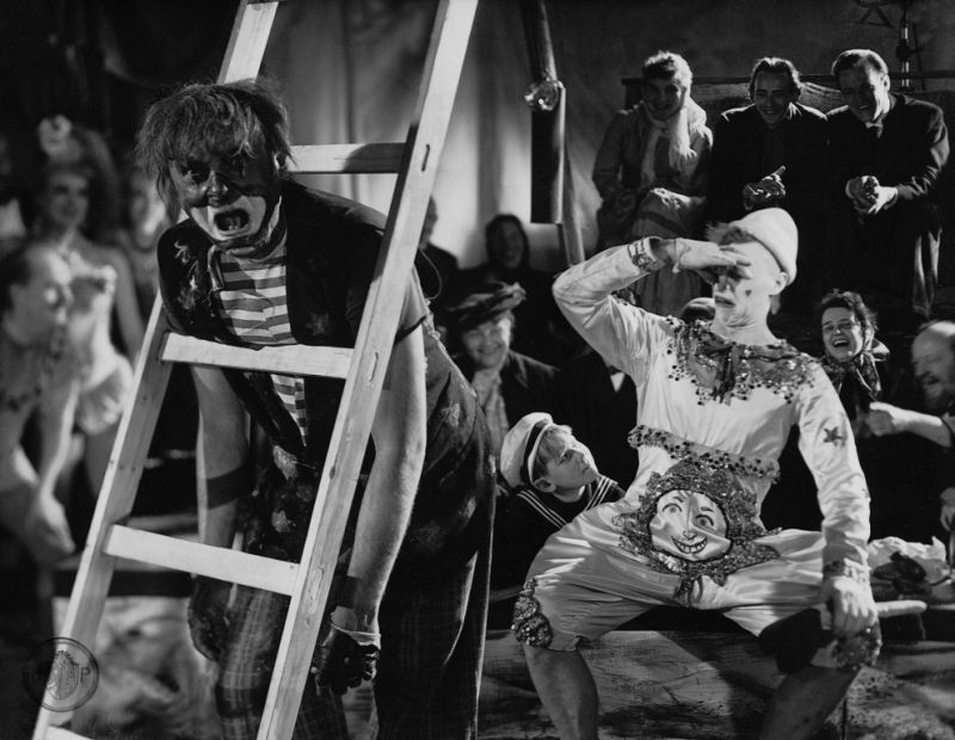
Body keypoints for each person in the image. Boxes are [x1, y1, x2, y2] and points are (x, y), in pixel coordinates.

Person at [136, 79, 495, 738]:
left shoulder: (358, 245)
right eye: (195, 172)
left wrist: (359, 606)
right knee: (248, 688)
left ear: (275, 160)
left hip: (429, 483)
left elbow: (403, 445)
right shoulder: (184, 260)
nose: (217, 189)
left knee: (413, 700)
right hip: (305, 474)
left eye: (235, 163)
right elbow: (221, 427)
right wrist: (212, 569)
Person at [515, 208, 879, 739]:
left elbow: (844, 482)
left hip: (737, 556)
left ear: (779, 280)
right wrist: (666, 251)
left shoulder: (799, 376)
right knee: (538, 611)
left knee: (852, 636)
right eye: (721, 268)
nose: (727, 282)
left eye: (743, 268)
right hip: (633, 541)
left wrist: (847, 571)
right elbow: (571, 291)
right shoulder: (658, 341)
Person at [826, 49, 950, 343]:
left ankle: (915, 322)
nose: (859, 100)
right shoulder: (835, 123)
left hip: (906, 210)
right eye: (849, 92)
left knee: (924, 215)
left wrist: (888, 194)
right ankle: (843, 317)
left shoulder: (926, 117)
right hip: (858, 215)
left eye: (866, 87)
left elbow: (931, 179)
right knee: (833, 213)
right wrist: (851, 187)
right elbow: (828, 176)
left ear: (885, 81)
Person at [32, 161, 138, 499]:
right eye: (61, 190)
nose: (71, 201)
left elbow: (135, 337)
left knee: (106, 499)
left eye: (81, 193)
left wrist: (141, 401)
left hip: (102, 387)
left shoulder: (108, 260)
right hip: (44, 393)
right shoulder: (25, 259)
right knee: (49, 497)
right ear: (42, 197)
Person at [592, 50, 711, 317]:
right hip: (629, 210)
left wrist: (654, 196)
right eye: (653, 90)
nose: (661, 98)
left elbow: (694, 187)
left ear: (684, 91)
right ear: (643, 91)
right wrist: (622, 196)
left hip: (684, 213)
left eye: (670, 90)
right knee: (650, 207)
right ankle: (640, 312)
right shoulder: (626, 123)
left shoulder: (698, 133)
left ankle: (654, 308)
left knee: (656, 203)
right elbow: (603, 174)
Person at [706, 57, 828, 316]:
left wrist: (783, 196)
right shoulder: (731, 124)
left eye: (778, 94)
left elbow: (820, 188)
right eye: (761, 94)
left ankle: (796, 316)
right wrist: (747, 192)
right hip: (743, 216)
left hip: (795, 219)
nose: (769, 103)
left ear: (794, 94)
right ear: (751, 94)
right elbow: (717, 185)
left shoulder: (814, 125)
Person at [0, 242, 79, 569]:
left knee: (52, 540)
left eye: (67, 286)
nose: (66, 298)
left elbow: (58, 423)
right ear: (17, 293)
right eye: (52, 287)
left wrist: (43, 495)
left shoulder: (59, 344)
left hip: (4, 461)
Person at [493, 413, 625, 596]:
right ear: (544, 484)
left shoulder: (611, 495)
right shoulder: (525, 513)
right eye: (565, 457)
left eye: (575, 444)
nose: (581, 454)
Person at [445, 281, 560, 458]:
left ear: (510, 330)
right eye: (474, 333)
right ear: (462, 338)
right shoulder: (448, 377)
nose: (487, 341)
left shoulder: (545, 380)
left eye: (495, 330)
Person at [865, 320, 955, 539]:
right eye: (916, 363)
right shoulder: (923, 400)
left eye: (931, 359)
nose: (921, 371)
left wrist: (907, 420)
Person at [455, 213, 570, 364]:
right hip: (487, 360)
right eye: (499, 239)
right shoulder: (472, 281)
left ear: (524, 241)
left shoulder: (544, 283)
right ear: (490, 245)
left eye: (513, 237)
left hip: (534, 364)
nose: (508, 245)